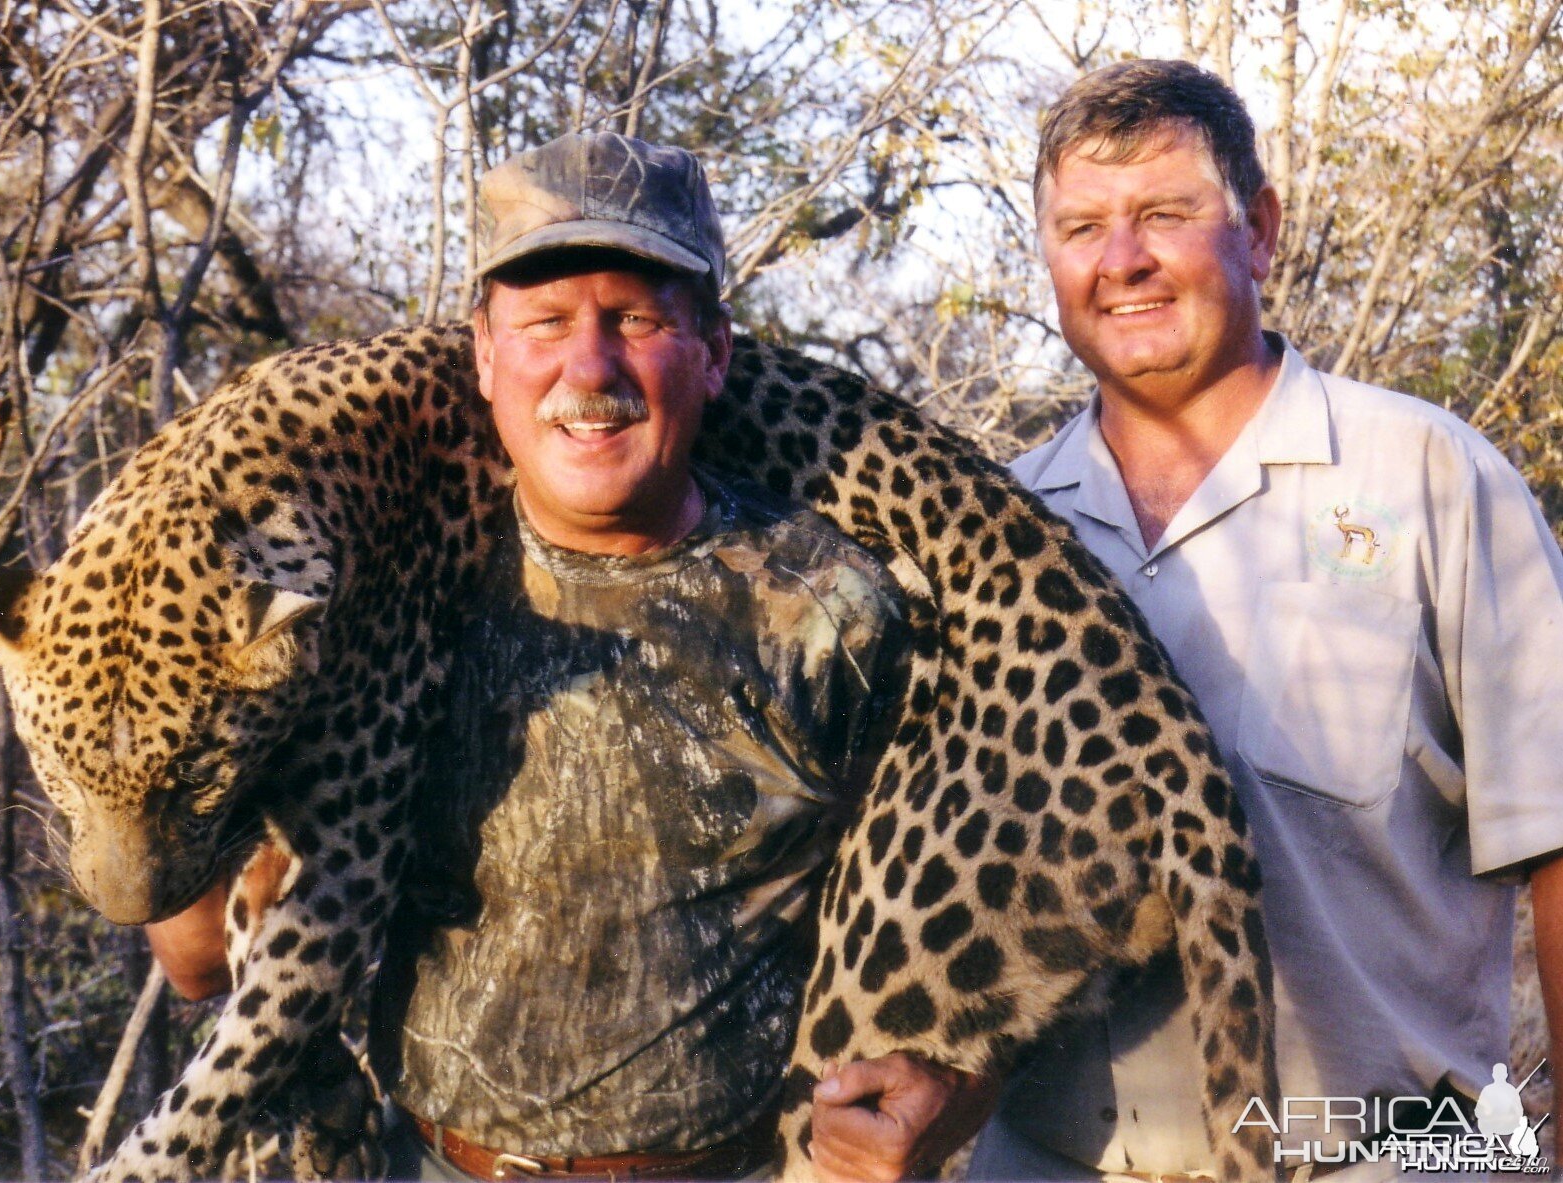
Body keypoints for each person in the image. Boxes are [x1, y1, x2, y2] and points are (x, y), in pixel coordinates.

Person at [147, 131, 996, 1183]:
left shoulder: (839, 611)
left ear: (717, 351)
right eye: (544, 321)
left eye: (636, 320)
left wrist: (949, 1099)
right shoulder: (388, 590)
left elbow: (972, 923)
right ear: (483, 354)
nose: (588, 369)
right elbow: (195, 957)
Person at [968, 59, 1563, 1182]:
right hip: (1050, 1156)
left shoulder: (1431, 478)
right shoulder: (998, 526)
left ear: (1261, 231)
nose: (1122, 259)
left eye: (1165, 214)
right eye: (1082, 225)